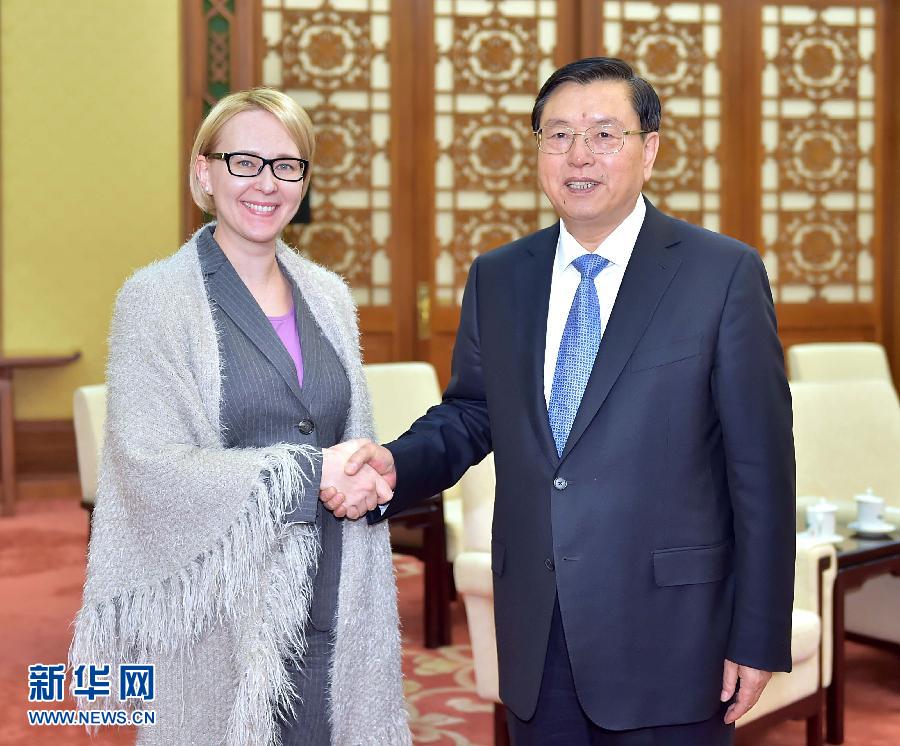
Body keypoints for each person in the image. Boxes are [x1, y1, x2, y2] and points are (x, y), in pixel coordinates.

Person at [326, 58, 795, 745]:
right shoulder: (499, 276)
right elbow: (473, 412)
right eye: (559, 135)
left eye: (605, 134)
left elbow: (762, 470)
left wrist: (757, 635)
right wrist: (397, 463)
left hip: (673, 635)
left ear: (649, 150)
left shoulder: (721, 274)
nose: (580, 155)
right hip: (537, 626)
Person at [70, 88, 411, 745]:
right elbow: (147, 466)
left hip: (336, 578)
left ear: (304, 182)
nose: (267, 183)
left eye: (287, 165)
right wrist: (307, 473)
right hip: (222, 600)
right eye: (244, 162)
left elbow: (352, 433)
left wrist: (364, 471)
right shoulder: (154, 299)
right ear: (204, 172)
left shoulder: (329, 296)